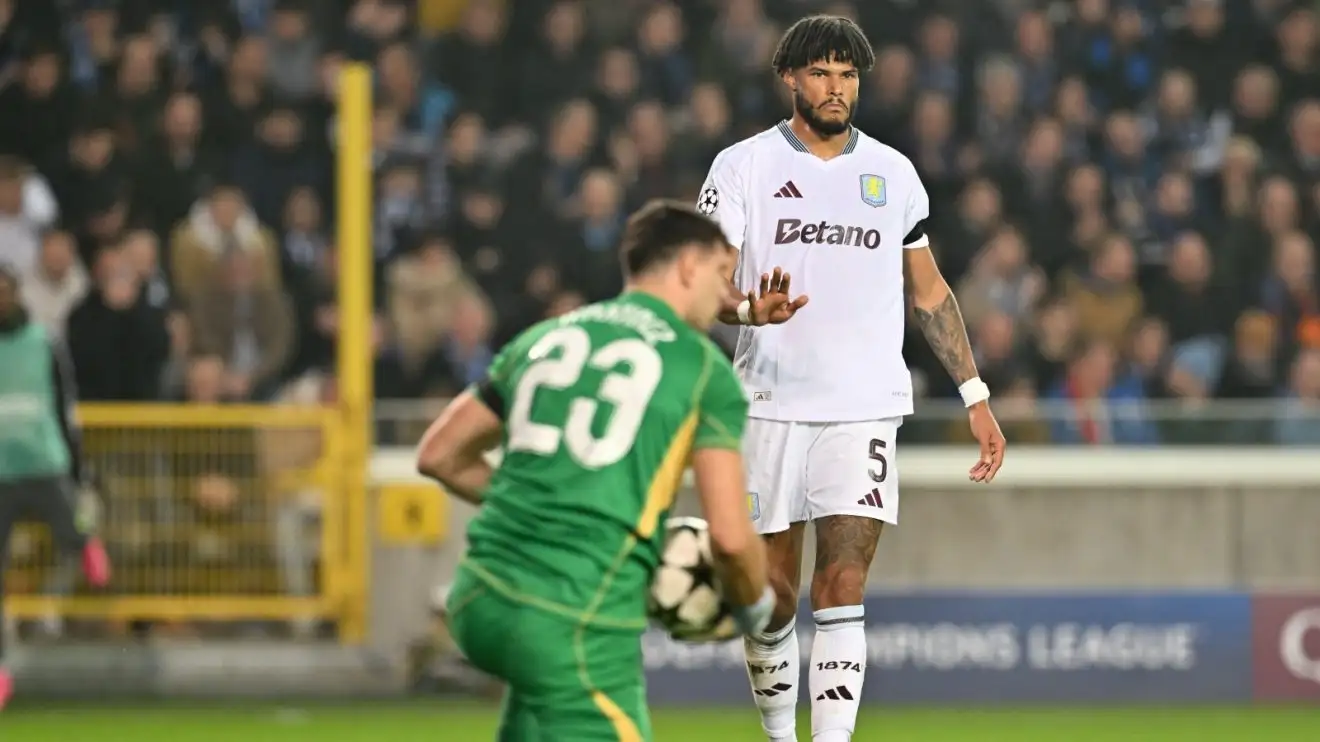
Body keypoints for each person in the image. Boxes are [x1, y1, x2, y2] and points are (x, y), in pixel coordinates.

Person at [695, 16, 1007, 742]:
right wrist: (748, 309)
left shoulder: (893, 174)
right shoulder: (742, 166)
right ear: (790, 79)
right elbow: (702, 285)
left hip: (864, 406)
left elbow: (929, 295)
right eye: (822, 73)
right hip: (769, 403)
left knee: (842, 581)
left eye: (848, 75)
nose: (836, 88)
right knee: (771, 595)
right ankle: (779, 734)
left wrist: (976, 396)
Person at [415, 200, 805, 741]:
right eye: (722, 275)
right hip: (575, 616)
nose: (725, 295)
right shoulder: (701, 369)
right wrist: (752, 607)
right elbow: (733, 541)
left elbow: (438, 454)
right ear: (688, 267)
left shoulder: (547, 336)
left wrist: (532, 505)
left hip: (477, 596)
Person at [0, 262, 112, 710]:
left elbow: (66, 405)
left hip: (44, 461)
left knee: (72, 524)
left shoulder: (44, 342)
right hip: (1, 471)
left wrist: (78, 465)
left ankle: (86, 543)